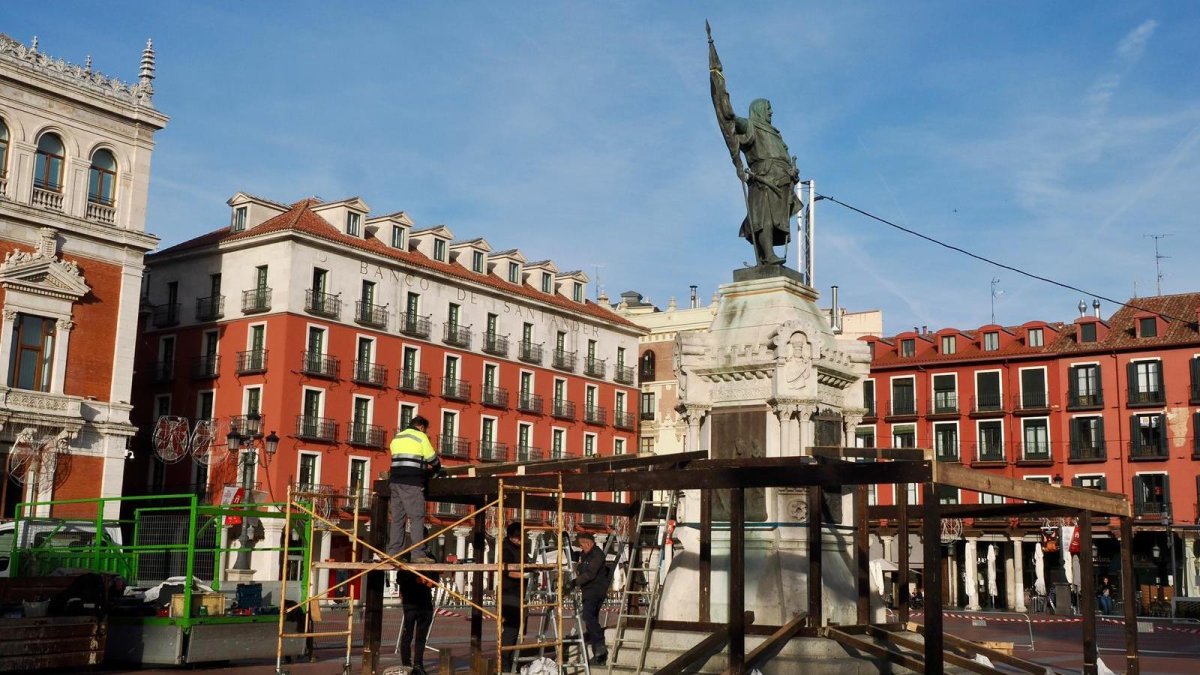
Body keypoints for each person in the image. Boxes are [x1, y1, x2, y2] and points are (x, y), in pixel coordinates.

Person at [708, 27, 801, 267]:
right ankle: (767, 255)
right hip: (764, 178)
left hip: (781, 180)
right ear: (759, 109)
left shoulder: (776, 133)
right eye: (768, 108)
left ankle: (769, 256)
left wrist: (792, 173)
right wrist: (720, 91)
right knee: (763, 218)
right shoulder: (750, 125)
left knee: (778, 218)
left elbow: (782, 155)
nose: (771, 112)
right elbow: (730, 117)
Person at [387, 416, 440, 563]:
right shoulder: (420, 436)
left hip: (395, 481)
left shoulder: (397, 437)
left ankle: (394, 552)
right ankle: (418, 554)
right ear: (421, 427)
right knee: (417, 517)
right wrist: (437, 467)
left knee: (397, 519)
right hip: (412, 483)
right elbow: (431, 458)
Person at [572, 532, 610, 666]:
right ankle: (598, 656)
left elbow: (589, 574)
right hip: (587, 591)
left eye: (582, 544)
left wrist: (574, 582)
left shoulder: (597, 555)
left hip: (596, 590)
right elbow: (581, 568)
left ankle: (600, 645)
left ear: (588, 543)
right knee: (590, 621)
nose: (582, 547)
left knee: (588, 615)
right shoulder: (585, 554)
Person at [500, 522, 531, 671]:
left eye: (521, 535)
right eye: (518, 535)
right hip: (510, 593)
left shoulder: (521, 549)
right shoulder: (506, 549)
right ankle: (505, 665)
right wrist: (524, 575)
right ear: (511, 536)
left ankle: (511, 662)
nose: (520, 538)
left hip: (521, 593)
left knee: (519, 630)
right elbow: (507, 570)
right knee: (511, 630)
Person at [397, 568, 439, 675]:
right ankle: (406, 664)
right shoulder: (406, 564)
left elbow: (435, 581)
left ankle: (418, 664)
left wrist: (430, 582)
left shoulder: (430, 562)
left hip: (425, 605)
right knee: (407, 636)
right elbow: (401, 580)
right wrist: (418, 580)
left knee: (421, 638)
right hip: (410, 604)